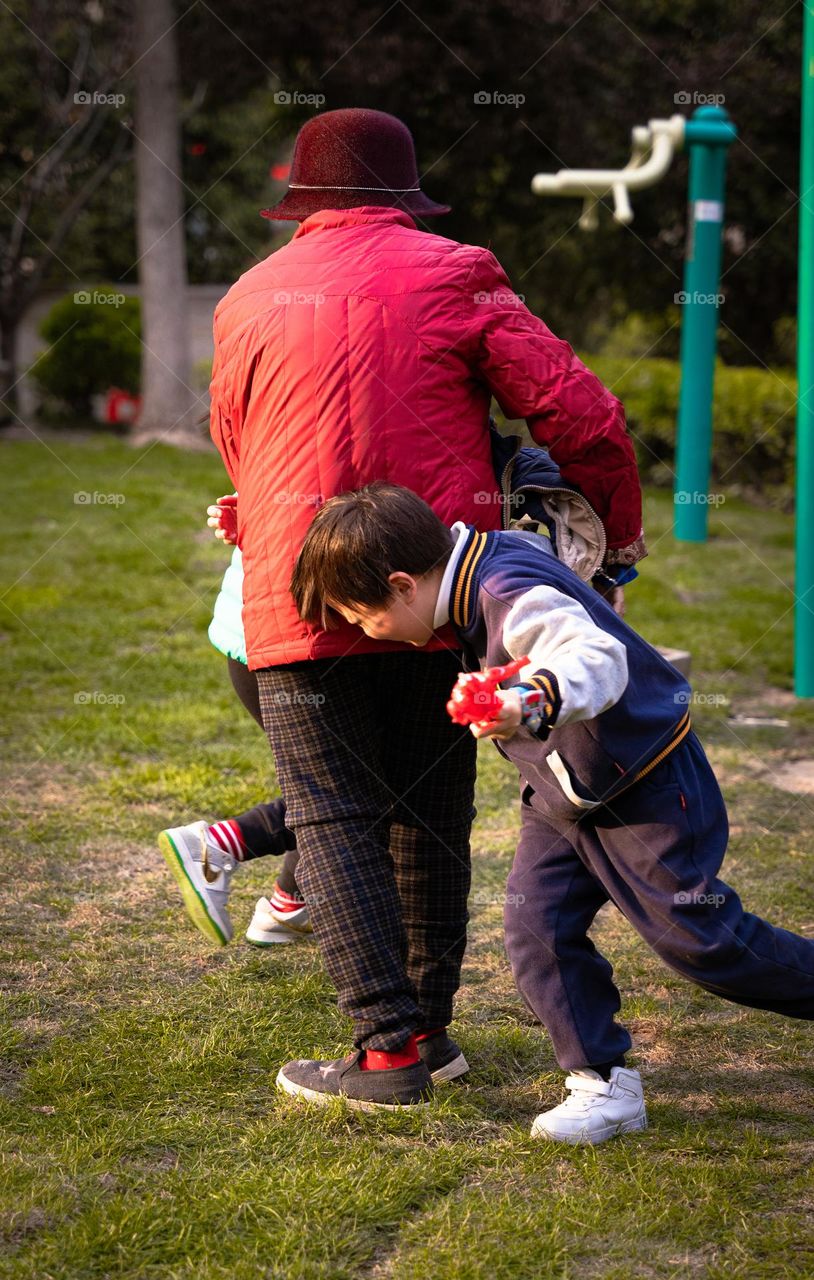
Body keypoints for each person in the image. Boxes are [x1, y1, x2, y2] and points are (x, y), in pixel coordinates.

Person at [208, 106, 647, 1111]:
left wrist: (252, 517)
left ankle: (388, 1048)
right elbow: (584, 413)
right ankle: (429, 1033)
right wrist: (611, 541)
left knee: (331, 807)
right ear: (403, 198)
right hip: (436, 580)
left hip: (301, 580)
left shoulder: (246, 297)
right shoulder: (457, 273)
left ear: (303, 204)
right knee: (430, 803)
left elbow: (236, 442)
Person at [287, 481, 814, 1131]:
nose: (373, 634)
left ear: (402, 585)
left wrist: (528, 700)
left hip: (643, 785)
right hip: (563, 794)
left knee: (701, 942)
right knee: (535, 927)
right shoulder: (476, 557)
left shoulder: (507, 591)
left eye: (366, 619)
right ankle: (604, 1083)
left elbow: (594, 657)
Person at [158, 496, 306, 948]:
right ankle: (221, 844)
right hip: (295, 638)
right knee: (356, 782)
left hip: (260, 629)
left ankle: (294, 902)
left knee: (347, 775)